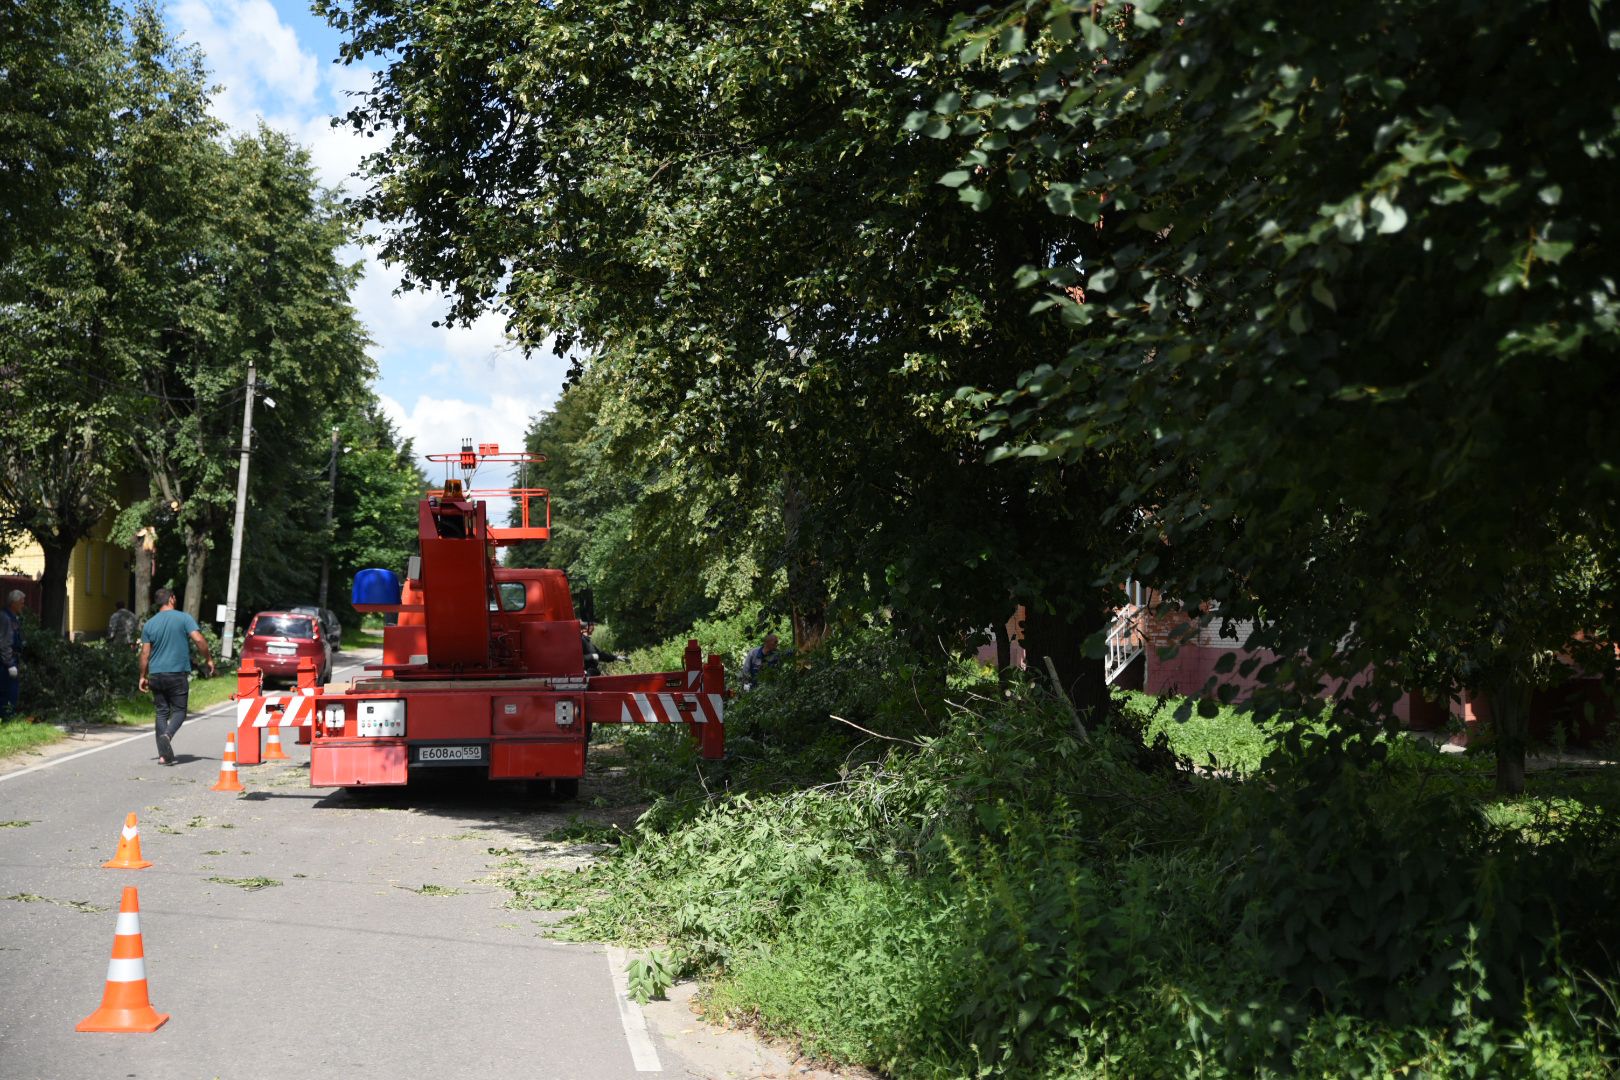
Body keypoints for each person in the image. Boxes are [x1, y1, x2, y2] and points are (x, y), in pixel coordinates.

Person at [138, 588, 215, 764]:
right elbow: (199, 640)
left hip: (156, 674)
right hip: (176, 673)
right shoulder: (183, 618)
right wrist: (208, 659)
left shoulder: (149, 624)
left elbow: (144, 654)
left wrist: (143, 675)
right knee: (179, 711)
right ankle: (168, 735)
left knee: (161, 712)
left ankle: (163, 756)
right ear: (171, 599)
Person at [0, 590, 24, 721]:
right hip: (6, 663)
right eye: (21, 602)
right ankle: (6, 719)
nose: (23, 605)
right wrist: (9, 664)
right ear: (13, 603)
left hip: (12, 660)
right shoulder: (5, 618)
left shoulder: (13, 617)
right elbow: (4, 643)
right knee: (7, 692)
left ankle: (8, 718)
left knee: (12, 692)